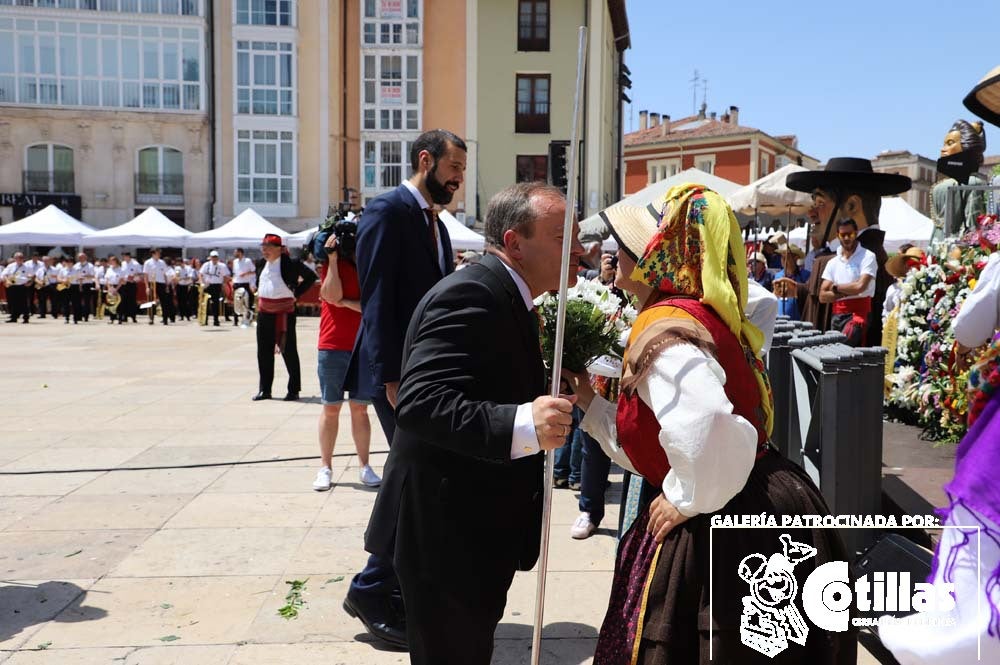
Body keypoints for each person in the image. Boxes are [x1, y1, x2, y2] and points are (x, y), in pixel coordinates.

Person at [569, 183, 853, 664]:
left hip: (727, 521)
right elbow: (666, 443)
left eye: (622, 255)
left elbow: (706, 425)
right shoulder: (710, 317)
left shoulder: (666, 327)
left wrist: (688, 496)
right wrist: (589, 406)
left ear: (658, 254)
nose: (614, 273)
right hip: (766, 497)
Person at [364, 182, 580, 665]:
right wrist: (522, 421)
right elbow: (420, 401)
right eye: (564, 236)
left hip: (471, 531)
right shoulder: (472, 292)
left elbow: (477, 376)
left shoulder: (505, 291)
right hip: (447, 535)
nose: (580, 252)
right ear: (514, 242)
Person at [343, 128, 465, 650]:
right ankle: (373, 587)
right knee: (414, 481)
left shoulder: (433, 223)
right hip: (398, 379)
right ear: (425, 160)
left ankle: (392, 586)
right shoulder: (387, 211)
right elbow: (376, 299)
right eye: (453, 168)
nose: (459, 179)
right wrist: (391, 376)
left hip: (422, 376)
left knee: (417, 481)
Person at [787, 157, 911, 343]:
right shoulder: (866, 256)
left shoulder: (861, 257)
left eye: (820, 203)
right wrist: (799, 290)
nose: (811, 213)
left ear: (852, 206)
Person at [312, 232, 380, 491]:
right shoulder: (331, 266)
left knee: (360, 409)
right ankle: (325, 467)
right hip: (332, 345)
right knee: (331, 408)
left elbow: (372, 306)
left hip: (361, 345)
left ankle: (364, 466)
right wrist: (331, 260)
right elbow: (331, 295)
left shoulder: (368, 267)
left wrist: (345, 303)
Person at [252, 234, 317, 402]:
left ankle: (293, 390)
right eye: (263, 247)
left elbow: (311, 277)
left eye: (268, 247)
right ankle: (265, 390)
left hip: (284, 313)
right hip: (264, 312)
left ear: (279, 249)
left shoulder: (291, 263)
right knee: (263, 352)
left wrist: (297, 293)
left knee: (289, 351)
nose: (264, 250)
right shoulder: (261, 263)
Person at [819, 219, 877, 346]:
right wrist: (846, 291)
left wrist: (836, 287)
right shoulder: (833, 262)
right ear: (837, 235)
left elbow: (860, 287)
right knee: (835, 350)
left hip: (859, 314)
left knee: (842, 346)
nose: (846, 238)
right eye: (842, 235)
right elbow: (822, 296)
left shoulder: (868, 256)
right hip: (837, 314)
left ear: (856, 233)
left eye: (849, 234)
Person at [931, 119, 987, 242]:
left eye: (950, 143)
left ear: (966, 146)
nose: (943, 149)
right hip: (944, 244)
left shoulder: (971, 182)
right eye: (944, 144)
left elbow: (973, 224)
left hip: (947, 244)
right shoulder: (967, 182)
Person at [772, 243, 810, 320]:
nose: (783, 259)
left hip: (798, 318)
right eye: (782, 256)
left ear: (795, 258)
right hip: (779, 317)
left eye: (786, 256)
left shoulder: (805, 275)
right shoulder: (778, 276)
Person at [199, 250, 230, 326]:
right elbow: (200, 274)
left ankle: (216, 320)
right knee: (205, 303)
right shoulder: (206, 265)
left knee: (215, 304)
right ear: (210, 257)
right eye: (213, 257)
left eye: (215, 257)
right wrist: (201, 283)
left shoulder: (222, 266)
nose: (214, 259)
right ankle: (204, 320)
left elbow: (226, 276)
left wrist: (223, 284)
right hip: (207, 285)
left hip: (216, 285)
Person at [143, 248, 173, 326]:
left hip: (161, 283)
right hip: (152, 283)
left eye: (159, 253)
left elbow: (164, 274)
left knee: (164, 301)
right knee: (151, 301)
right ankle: (151, 318)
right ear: (153, 254)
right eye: (158, 253)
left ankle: (165, 318)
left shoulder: (162, 262)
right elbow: (145, 275)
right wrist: (147, 287)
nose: (159, 254)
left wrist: (166, 285)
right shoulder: (148, 263)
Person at [2, 252, 32, 323]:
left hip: (22, 286)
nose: (20, 259)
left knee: (23, 303)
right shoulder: (10, 266)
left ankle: (26, 318)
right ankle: (13, 317)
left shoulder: (27, 267)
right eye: (18, 258)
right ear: (15, 259)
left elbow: (32, 276)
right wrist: (7, 281)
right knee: (12, 302)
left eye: (21, 257)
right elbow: (4, 274)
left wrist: (30, 282)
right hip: (12, 286)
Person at [231, 247, 256, 326]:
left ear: (240, 253)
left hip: (245, 283)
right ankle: (235, 320)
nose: (235, 254)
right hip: (237, 283)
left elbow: (253, 271)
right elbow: (234, 272)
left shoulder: (247, 261)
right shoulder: (235, 261)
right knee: (236, 302)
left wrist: (245, 274)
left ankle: (248, 319)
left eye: (236, 252)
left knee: (247, 302)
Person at [72, 252, 96, 322]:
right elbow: (73, 275)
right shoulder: (76, 266)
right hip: (77, 285)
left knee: (86, 301)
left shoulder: (90, 266)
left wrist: (84, 276)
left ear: (85, 257)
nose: (80, 259)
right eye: (79, 257)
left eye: (82, 257)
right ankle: (78, 316)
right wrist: (77, 277)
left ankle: (86, 316)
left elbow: (93, 275)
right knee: (77, 301)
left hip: (87, 285)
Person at [120, 252, 141, 323]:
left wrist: (134, 276)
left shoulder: (135, 264)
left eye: (125, 256)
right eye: (123, 256)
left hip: (132, 284)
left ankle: (133, 317)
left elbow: (140, 273)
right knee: (123, 300)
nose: (124, 258)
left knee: (132, 301)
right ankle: (124, 316)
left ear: (128, 256)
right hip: (124, 284)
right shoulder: (122, 264)